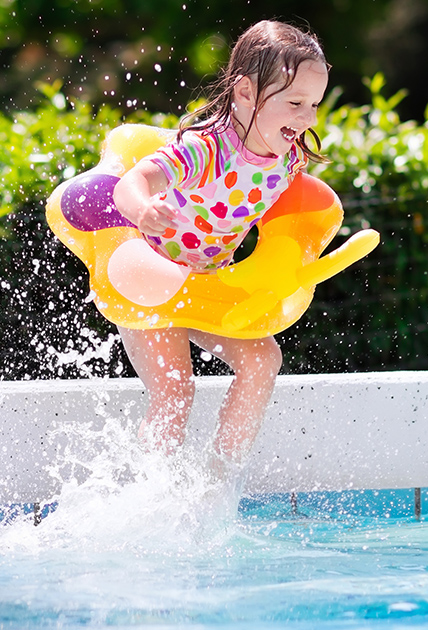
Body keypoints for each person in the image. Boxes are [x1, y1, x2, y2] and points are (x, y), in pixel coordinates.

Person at [110, 20, 330, 474]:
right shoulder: (205, 149)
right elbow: (132, 183)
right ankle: (145, 492)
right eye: (294, 103)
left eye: (314, 104)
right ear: (246, 92)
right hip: (154, 283)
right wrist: (143, 209)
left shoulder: (287, 159)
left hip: (208, 285)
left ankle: (218, 480)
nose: (307, 118)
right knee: (175, 389)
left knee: (263, 359)